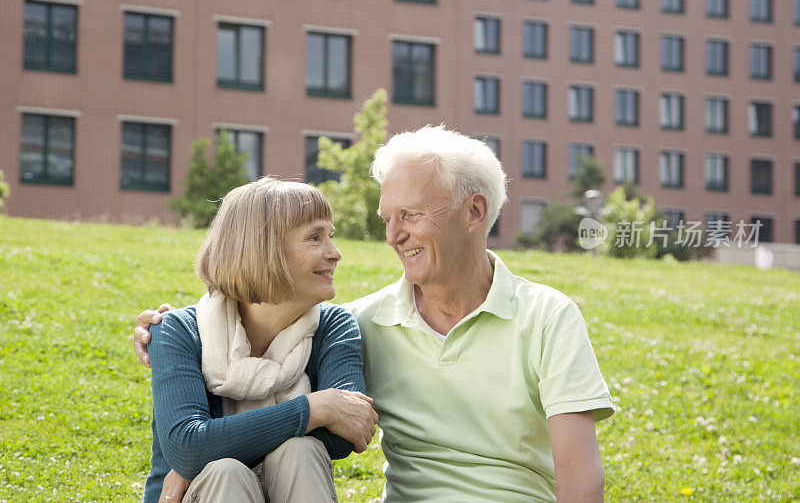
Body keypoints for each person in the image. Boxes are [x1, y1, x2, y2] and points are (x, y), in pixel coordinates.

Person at [136, 126, 614, 502]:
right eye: (388, 218)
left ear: (474, 212)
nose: (392, 236)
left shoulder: (549, 316)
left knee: (294, 452)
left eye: (411, 214)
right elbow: (250, 337)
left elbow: (581, 481)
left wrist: (214, 443)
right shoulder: (367, 321)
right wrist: (200, 445)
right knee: (232, 468)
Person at [140, 177, 377, 503]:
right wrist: (315, 409)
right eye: (314, 237)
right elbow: (188, 447)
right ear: (261, 248)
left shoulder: (333, 326)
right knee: (226, 471)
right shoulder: (178, 330)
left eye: (330, 236)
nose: (335, 253)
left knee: (301, 451)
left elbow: (346, 433)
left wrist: (213, 444)